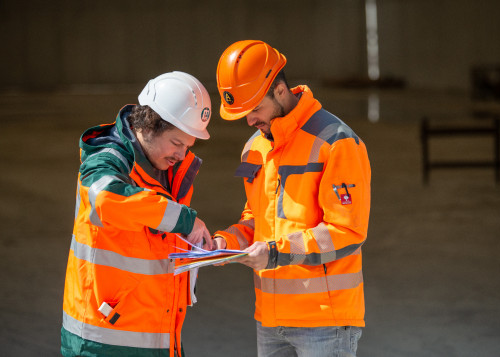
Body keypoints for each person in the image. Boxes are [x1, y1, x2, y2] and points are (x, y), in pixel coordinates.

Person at [212, 40, 372, 357]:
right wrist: (226, 242)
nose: (250, 120)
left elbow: (347, 233)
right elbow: (256, 219)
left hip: (325, 321)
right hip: (269, 320)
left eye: (255, 108)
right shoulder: (255, 147)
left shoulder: (336, 142)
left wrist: (276, 253)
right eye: (243, 112)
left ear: (280, 90)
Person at [61, 71, 214, 357]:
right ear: (151, 125)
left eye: (188, 146)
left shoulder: (168, 168)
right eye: (176, 143)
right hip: (104, 340)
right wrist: (185, 220)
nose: (181, 155)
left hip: (157, 333)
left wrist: (200, 249)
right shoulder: (106, 161)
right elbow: (107, 199)